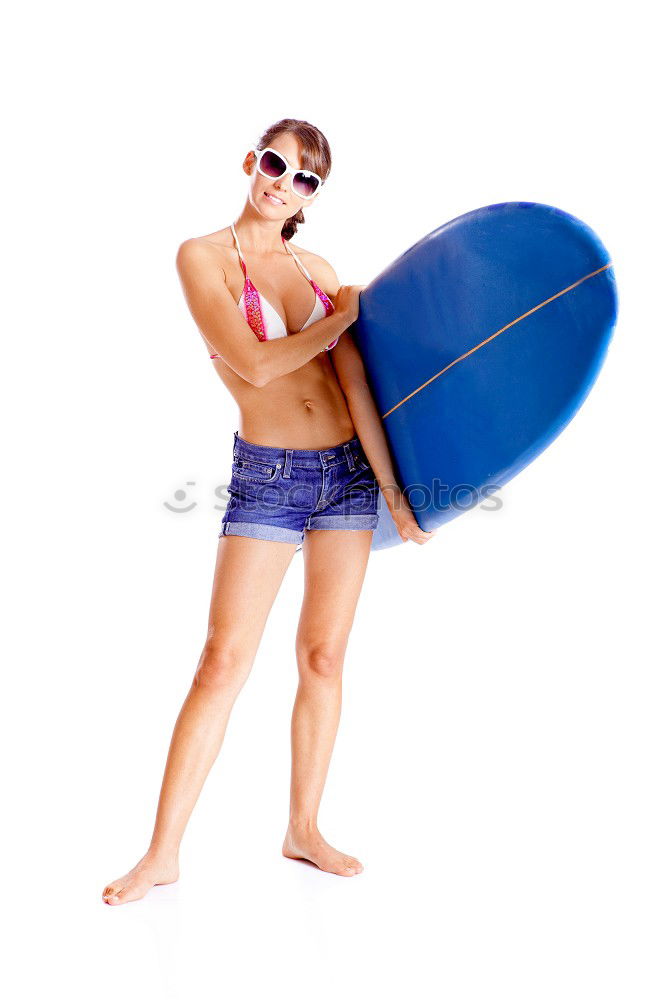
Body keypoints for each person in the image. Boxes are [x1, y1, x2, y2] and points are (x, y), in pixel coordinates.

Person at [102, 118, 435, 905]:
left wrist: (393, 495)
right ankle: (161, 854)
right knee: (222, 662)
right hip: (269, 476)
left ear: (316, 194)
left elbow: (353, 385)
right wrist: (340, 319)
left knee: (323, 657)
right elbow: (251, 366)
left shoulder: (317, 268)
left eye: (306, 179)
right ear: (253, 161)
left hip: (347, 476)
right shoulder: (202, 257)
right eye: (278, 164)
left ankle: (303, 828)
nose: (285, 183)